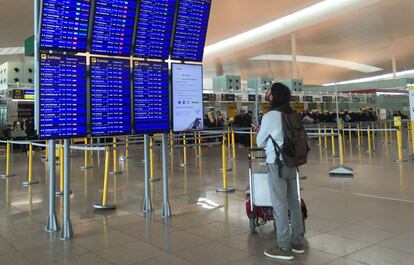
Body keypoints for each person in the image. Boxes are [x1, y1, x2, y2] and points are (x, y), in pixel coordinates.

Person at [256, 82, 305, 261]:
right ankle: (297, 241)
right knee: (294, 202)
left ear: (274, 96)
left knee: (279, 205)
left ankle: (284, 247)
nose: (267, 95)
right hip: (293, 162)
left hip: (276, 163)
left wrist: (261, 132)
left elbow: (259, 142)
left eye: (268, 93)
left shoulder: (270, 116)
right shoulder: (292, 114)